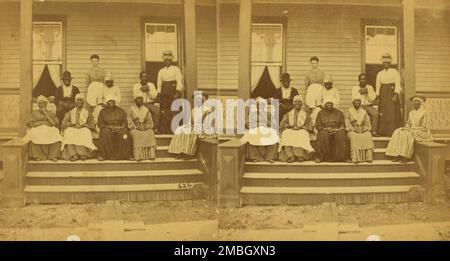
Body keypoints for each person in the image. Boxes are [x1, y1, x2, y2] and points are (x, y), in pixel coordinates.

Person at [385, 95, 432, 163]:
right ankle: (397, 154)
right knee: (398, 131)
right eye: (414, 101)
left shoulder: (425, 113)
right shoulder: (411, 113)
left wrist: (412, 129)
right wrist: (406, 128)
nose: (415, 103)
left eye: (417, 101)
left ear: (421, 103)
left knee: (408, 135)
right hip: (412, 129)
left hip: (422, 132)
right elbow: (408, 124)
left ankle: (405, 156)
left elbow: (424, 127)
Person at [168, 92, 213, 160]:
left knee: (190, 132)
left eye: (200, 99)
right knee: (180, 129)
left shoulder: (207, 109)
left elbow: (209, 122)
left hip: (203, 127)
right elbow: (191, 121)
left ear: (204, 100)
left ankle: (189, 153)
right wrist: (188, 125)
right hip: (195, 126)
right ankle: (180, 151)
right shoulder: (194, 109)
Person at [24, 96, 62, 161]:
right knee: (34, 132)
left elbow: (53, 124)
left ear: (46, 104)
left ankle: (53, 155)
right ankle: (38, 155)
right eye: (40, 103)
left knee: (55, 132)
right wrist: (43, 123)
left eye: (43, 103)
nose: (41, 105)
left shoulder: (50, 113)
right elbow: (31, 124)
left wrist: (45, 113)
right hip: (37, 128)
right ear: (38, 105)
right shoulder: (34, 113)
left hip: (49, 128)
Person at [241, 98, 279, 163]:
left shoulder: (267, 114)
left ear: (264, 106)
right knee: (251, 135)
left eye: (261, 105)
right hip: (255, 129)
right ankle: (256, 157)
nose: (259, 106)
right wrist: (258, 124)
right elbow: (247, 124)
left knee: (273, 134)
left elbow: (273, 124)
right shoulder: (253, 114)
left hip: (266, 129)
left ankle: (269, 157)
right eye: (257, 105)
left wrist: (267, 120)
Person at [278, 95, 314, 163]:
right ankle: (290, 156)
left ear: (301, 103)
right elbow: (282, 124)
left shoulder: (305, 114)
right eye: (295, 101)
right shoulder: (288, 114)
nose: (297, 103)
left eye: (299, 102)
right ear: (293, 103)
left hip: (301, 130)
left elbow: (310, 125)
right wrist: (289, 126)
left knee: (302, 134)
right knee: (286, 133)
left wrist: (301, 127)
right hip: (290, 129)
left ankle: (301, 156)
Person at [61, 94, 97, 161]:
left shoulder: (87, 112)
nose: (79, 102)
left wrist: (85, 125)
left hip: (83, 128)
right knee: (69, 132)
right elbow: (64, 123)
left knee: (85, 132)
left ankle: (84, 154)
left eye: (81, 100)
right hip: (73, 128)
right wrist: (71, 124)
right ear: (75, 102)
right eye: (78, 100)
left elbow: (92, 123)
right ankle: (73, 154)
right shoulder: (71, 112)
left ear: (83, 102)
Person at [97, 94, 132, 161]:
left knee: (124, 133)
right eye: (110, 101)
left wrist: (120, 127)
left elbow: (125, 122)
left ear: (115, 102)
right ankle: (103, 155)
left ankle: (126, 155)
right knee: (105, 133)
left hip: (119, 128)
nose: (111, 103)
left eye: (113, 101)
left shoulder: (121, 110)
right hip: (107, 128)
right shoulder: (102, 111)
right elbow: (100, 123)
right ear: (107, 102)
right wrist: (109, 127)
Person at [315, 96, 349, 163]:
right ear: (325, 104)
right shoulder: (320, 113)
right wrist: (325, 129)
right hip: (325, 130)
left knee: (342, 135)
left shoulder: (339, 112)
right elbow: (318, 125)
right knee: (322, 134)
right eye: (327, 103)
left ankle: (343, 157)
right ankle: (322, 157)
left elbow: (343, 124)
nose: (329, 105)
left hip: (337, 130)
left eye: (331, 103)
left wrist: (338, 129)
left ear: (333, 104)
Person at [376, 53, 403, 137]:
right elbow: (378, 85)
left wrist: (396, 94)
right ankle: (383, 132)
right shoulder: (380, 73)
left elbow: (398, 83)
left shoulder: (394, 72)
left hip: (391, 92)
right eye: (384, 62)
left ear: (390, 63)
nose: (386, 64)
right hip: (383, 93)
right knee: (384, 112)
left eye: (388, 62)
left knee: (392, 112)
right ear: (382, 63)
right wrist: (378, 96)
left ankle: (392, 132)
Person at [157, 50, 184, 134]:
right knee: (165, 110)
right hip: (164, 91)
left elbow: (179, 81)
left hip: (173, 91)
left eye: (168, 60)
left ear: (171, 60)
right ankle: (165, 129)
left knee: (174, 109)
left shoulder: (176, 69)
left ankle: (175, 129)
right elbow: (159, 82)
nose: (167, 61)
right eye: (165, 60)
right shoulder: (161, 71)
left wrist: (178, 91)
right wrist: (159, 92)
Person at [128, 93, 157, 161]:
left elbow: (149, 121)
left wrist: (146, 126)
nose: (140, 100)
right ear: (135, 100)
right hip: (134, 128)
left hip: (144, 127)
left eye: (141, 99)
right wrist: (136, 127)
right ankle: (139, 155)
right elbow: (129, 121)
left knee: (150, 132)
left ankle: (151, 154)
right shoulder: (130, 109)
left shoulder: (146, 109)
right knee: (136, 134)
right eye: (138, 99)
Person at [347, 98, 374, 164]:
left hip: (362, 129)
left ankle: (368, 157)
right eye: (356, 102)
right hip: (352, 130)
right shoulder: (349, 111)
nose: (357, 103)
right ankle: (356, 158)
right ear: (353, 103)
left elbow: (368, 124)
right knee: (354, 136)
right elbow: (347, 123)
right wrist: (353, 129)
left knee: (368, 135)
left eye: (358, 102)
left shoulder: (364, 112)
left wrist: (363, 129)